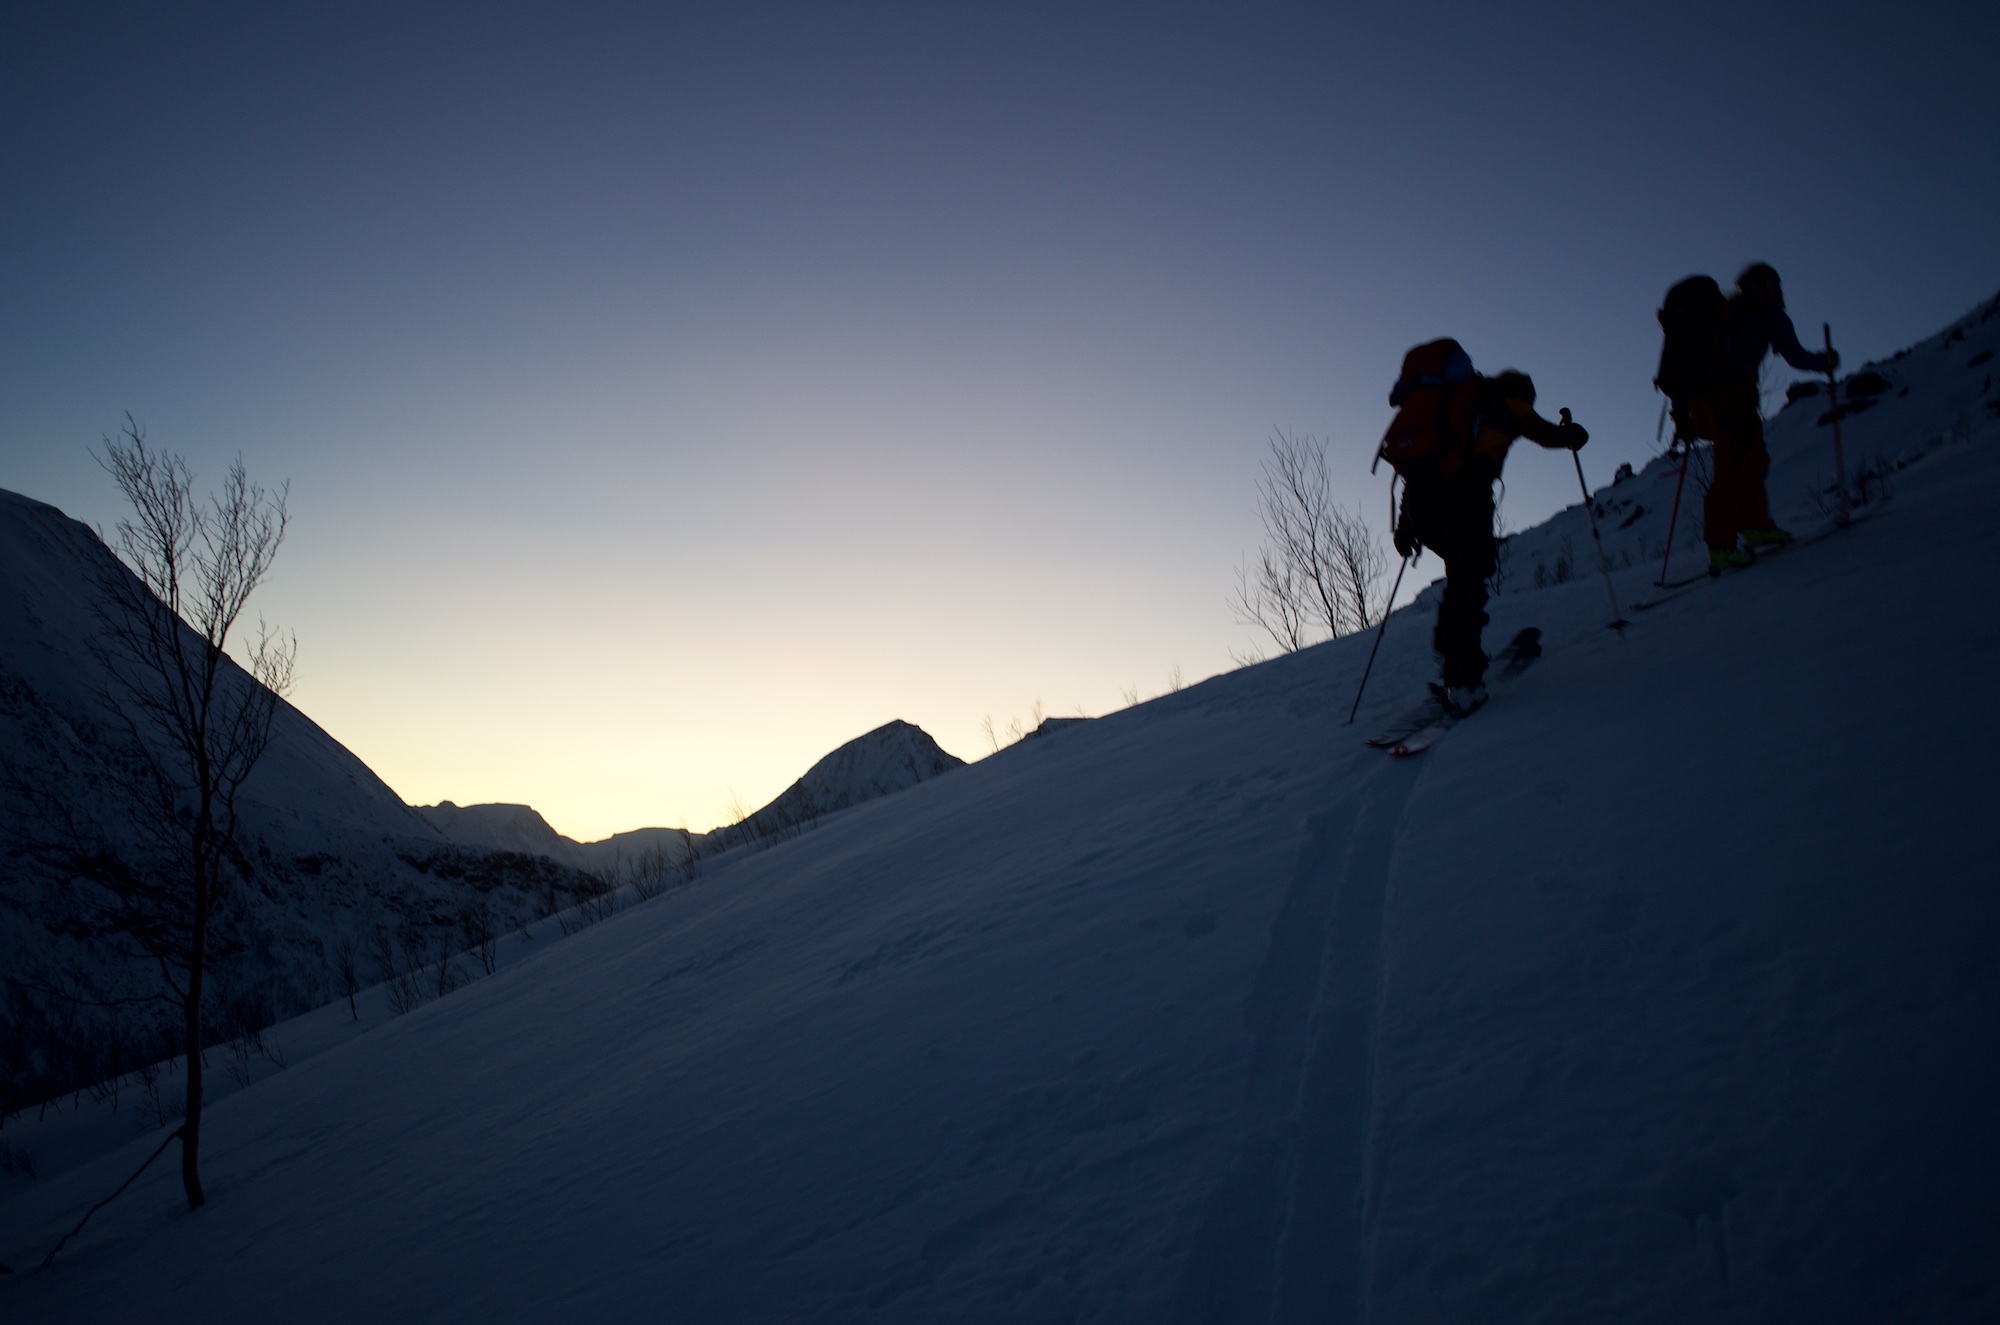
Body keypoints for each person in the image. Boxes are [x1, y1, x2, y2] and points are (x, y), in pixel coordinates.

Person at [1381, 339, 1588, 716]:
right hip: (1463, 502)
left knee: (1463, 577)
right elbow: (1543, 432)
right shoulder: (1506, 400)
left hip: (1423, 506)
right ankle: (1463, 681)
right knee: (1469, 581)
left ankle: (1451, 657)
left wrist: (1406, 528)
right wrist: (1573, 436)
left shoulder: (1455, 405)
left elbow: (1417, 476)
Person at [1685, 262, 1836, 570]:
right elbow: (1795, 355)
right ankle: (1723, 545)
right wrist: (1825, 362)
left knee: (1749, 460)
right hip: (1733, 397)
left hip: (1715, 400)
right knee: (1735, 466)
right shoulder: (1768, 316)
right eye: (1770, 283)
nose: (1774, 289)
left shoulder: (1729, 311)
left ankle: (1754, 528)